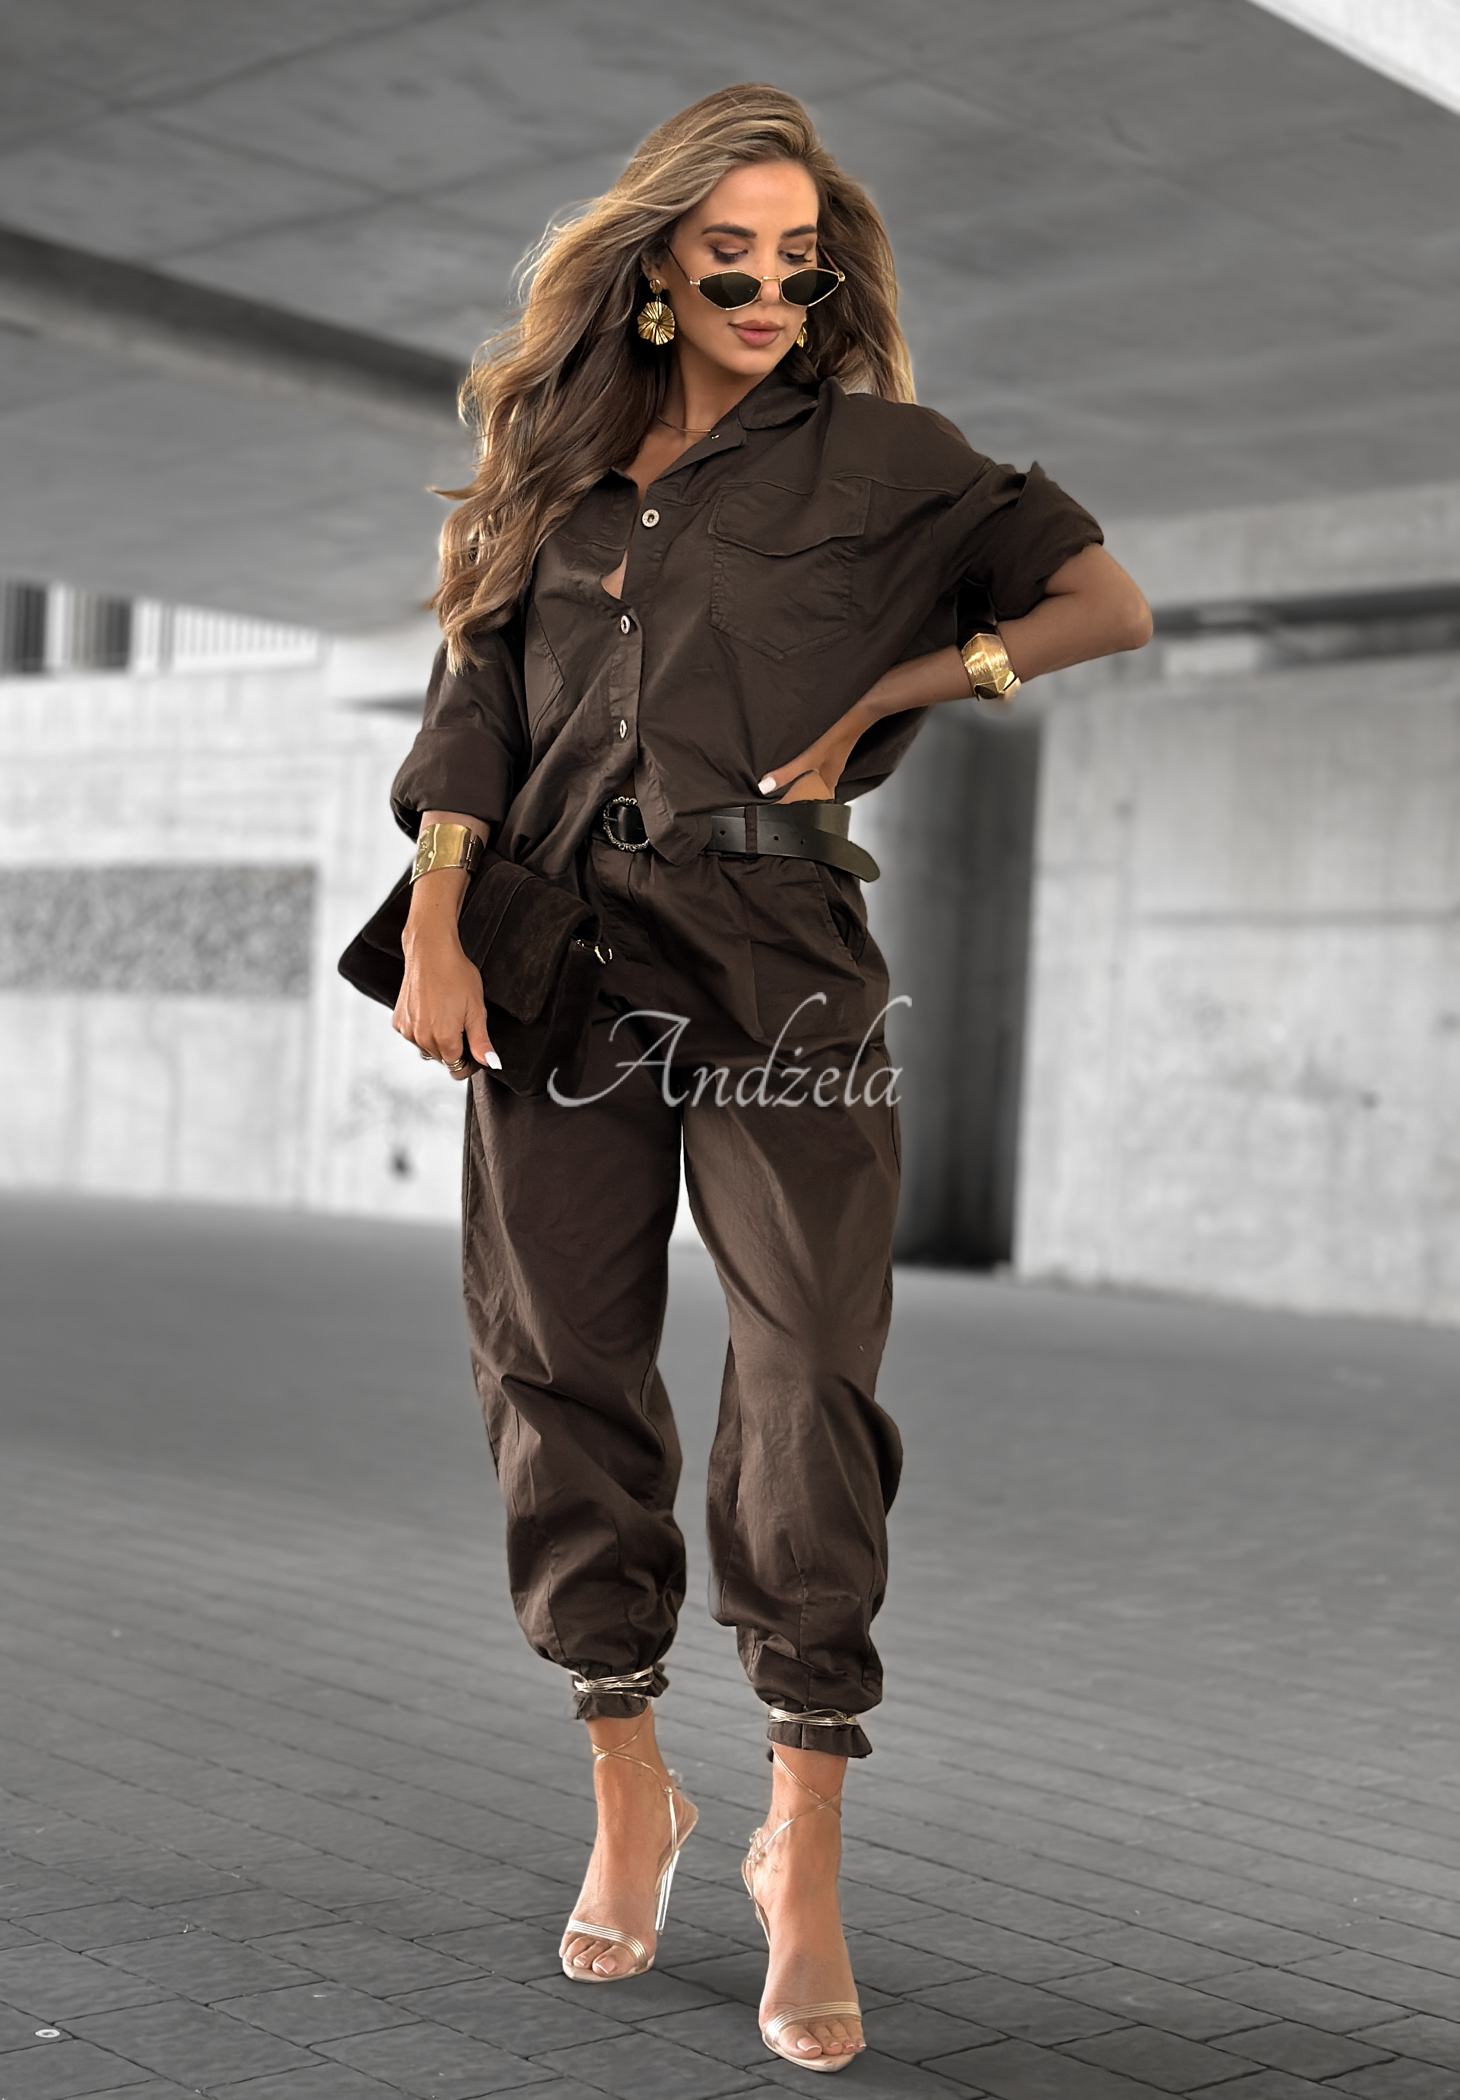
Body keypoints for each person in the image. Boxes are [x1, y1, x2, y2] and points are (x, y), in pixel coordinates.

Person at [389, 83, 1151, 2074]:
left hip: (778, 965)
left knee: (808, 1360)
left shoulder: (895, 461)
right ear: (657, 267)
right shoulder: (551, 469)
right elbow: (474, 705)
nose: (763, 288)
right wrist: (440, 919)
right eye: (728, 254)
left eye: (796, 262)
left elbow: (1103, 601)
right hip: (551, 958)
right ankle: (627, 1778)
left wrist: (912, 681)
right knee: (556, 1353)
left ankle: (800, 1831)